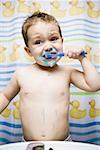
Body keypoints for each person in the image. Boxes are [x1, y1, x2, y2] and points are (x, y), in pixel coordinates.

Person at [0, 11, 99, 142]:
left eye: (53, 39)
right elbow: (5, 96)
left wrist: (82, 58)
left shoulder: (67, 73)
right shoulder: (21, 74)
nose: (48, 47)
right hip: (30, 144)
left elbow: (94, 85)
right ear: (28, 51)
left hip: (63, 143)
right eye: (38, 42)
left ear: (62, 42)